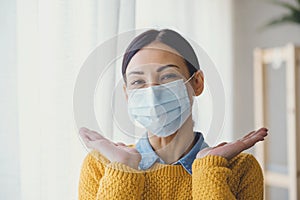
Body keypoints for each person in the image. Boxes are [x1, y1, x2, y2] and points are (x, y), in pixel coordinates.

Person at [78, 29, 268, 200]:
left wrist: (208, 168)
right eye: (138, 82)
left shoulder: (240, 168)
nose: (152, 92)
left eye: (168, 76)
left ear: (197, 83)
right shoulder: (102, 165)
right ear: (127, 94)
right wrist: (123, 168)